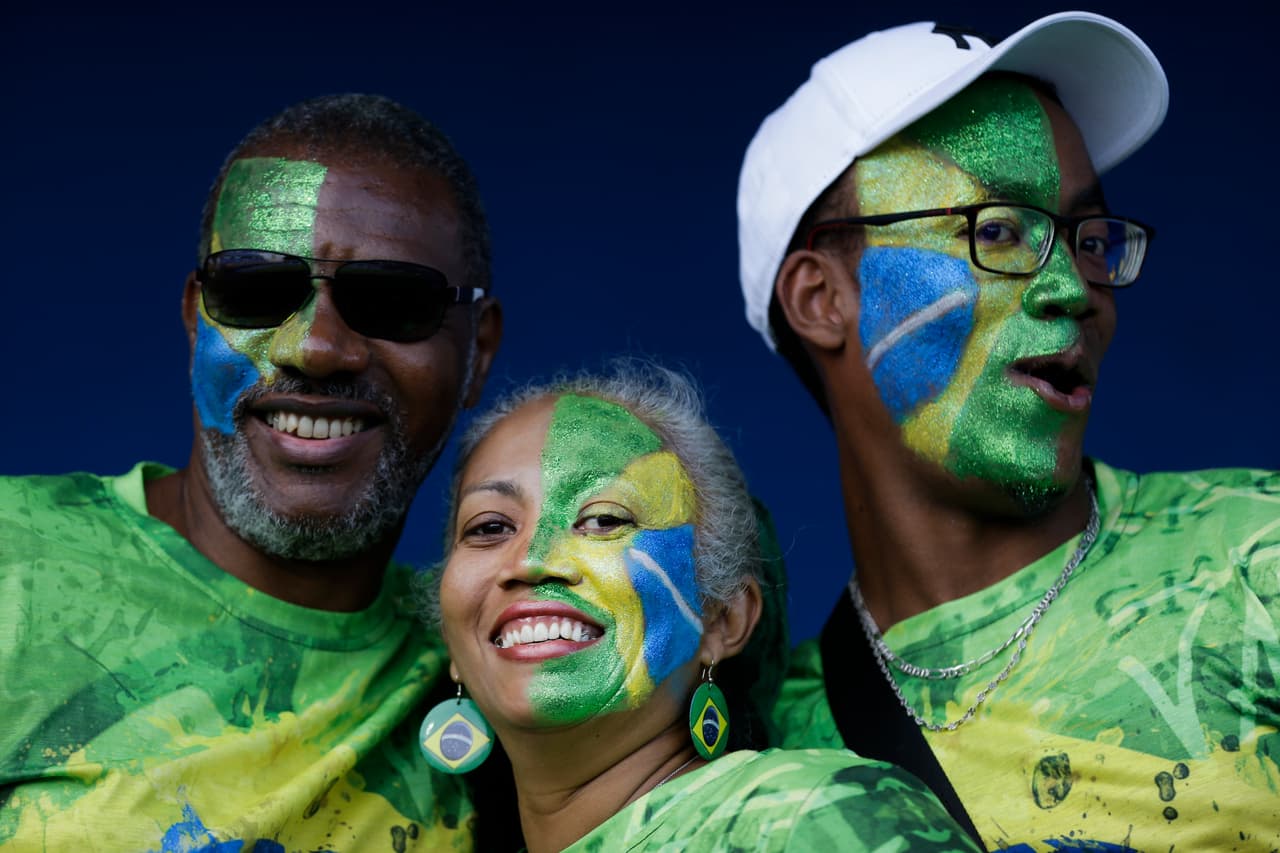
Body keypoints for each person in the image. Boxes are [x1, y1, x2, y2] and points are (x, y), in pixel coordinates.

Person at [736, 11, 1280, 852]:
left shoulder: (1255, 560)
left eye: (1088, 240)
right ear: (822, 298)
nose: (1074, 288)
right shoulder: (775, 750)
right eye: (997, 231)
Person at [0, 94, 502, 850]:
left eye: (394, 300)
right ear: (194, 318)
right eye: (256, 291)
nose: (316, 348)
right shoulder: (14, 564)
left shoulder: (499, 662)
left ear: (479, 353)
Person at [418, 364, 983, 852]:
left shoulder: (816, 818)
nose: (531, 560)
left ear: (723, 620)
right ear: (451, 644)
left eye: (605, 520)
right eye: (489, 527)